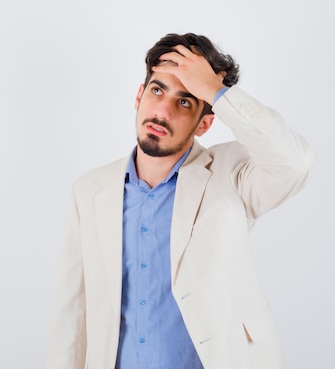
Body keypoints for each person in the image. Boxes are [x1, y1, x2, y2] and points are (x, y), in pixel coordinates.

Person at [46, 33, 315, 369]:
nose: (163, 111)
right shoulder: (89, 191)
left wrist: (217, 93)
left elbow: (294, 163)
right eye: (157, 90)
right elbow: (72, 312)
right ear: (139, 95)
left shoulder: (230, 175)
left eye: (185, 101)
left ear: (205, 122)